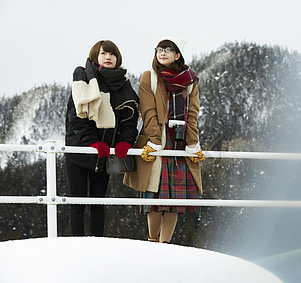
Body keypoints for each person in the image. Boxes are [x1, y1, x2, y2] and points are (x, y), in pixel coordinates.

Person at [124, 37, 204, 243]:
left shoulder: (191, 81)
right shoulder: (149, 77)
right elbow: (147, 111)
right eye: (159, 49)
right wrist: (153, 140)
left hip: (179, 142)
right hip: (156, 140)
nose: (162, 52)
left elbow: (192, 113)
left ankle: (165, 243)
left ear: (178, 55)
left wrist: (193, 143)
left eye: (168, 49)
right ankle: (152, 239)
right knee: (154, 193)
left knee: (174, 199)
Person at [65, 40, 139, 236]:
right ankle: (77, 243)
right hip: (79, 152)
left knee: (98, 202)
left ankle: (97, 244)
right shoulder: (84, 81)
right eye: (104, 54)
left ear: (118, 59)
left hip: (104, 153)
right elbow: (76, 117)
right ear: (95, 57)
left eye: (112, 54)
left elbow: (130, 120)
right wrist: (91, 142)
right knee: (77, 202)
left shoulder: (123, 85)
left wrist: (126, 141)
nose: (108, 57)